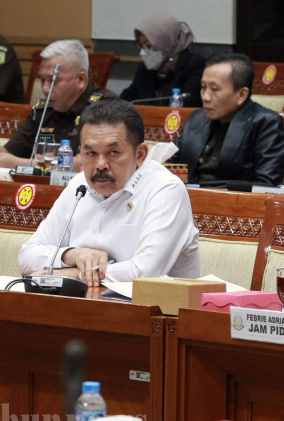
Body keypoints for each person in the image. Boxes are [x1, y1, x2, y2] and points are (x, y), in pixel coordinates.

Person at [18, 98, 200, 286]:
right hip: (84, 301)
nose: (100, 165)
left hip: (154, 304)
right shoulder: (79, 186)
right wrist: (72, 255)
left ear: (140, 154)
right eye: (91, 153)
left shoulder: (165, 189)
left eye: (113, 152)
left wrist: (74, 274)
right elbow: (26, 257)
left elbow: (144, 273)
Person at [172, 52, 284, 187]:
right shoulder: (197, 118)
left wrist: (203, 189)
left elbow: (265, 185)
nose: (205, 97)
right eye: (203, 87)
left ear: (241, 95)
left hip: (231, 200)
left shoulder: (266, 124)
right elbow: (171, 165)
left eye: (215, 89)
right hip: (185, 197)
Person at [0, 39, 117, 171]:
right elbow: (10, 152)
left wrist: (17, 163)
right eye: (42, 80)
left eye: (53, 81)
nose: (45, 89)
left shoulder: (104, 106)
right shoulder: (43, 110)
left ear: (81, 80)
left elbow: (86, 162)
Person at [119, 14, 204, 107]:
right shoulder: (145, 67)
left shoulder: (194, 65)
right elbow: (128, 98)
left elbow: (189, 103)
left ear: (167, 42)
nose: (144, 51)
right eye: (141, 45)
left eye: (148, 45)